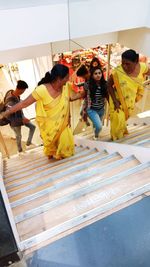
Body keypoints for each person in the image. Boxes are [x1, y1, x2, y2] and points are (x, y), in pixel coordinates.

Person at [1, 64, 75, 160]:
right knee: (51, 147)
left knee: (65, 147)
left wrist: (69, 116)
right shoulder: (42, 90)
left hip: (63, 124)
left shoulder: (66, 87)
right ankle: (52, 154)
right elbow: (24, 103)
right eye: (66, 78)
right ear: (59, 78)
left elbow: (66, 102)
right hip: (49, 125)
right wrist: (7, 112)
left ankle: (64, 165)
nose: (68, 80)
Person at [108, 49, 150, 141]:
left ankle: (121, 135)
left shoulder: (142, 67)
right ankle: (116, 141)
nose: (124, 66)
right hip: (117, 101)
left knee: (123, 121)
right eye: (123, 63)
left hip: (130, 101)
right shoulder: (118, 71)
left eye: (128, 64)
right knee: (117, 121)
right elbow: (108, 84)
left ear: (136, 62)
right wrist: (115, 101)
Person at [4, 80, 36, 153]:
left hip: (21, 117)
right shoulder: (10, 101)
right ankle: (20, 151)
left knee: (33, 127)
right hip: (15, 122)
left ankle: (28, 142)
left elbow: (18, 103)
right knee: (18, 136)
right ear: (20, 89)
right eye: (23, 91)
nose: (23, 92)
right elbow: (8, 116)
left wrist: (23, 116)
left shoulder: (15, 94)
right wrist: (21, 120)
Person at [83, 66, 108, 140]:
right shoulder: (87, 85)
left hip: (101, 109)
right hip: (91, 109)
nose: (98, 75)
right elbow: (84, 97)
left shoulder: (105, 84)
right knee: (99, 126)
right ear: (92, 75)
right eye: (95, 73)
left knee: (96, 124)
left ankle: (95, 134)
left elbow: (108, 96)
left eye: (99, 73)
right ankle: (96, 136)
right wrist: (84, 111)